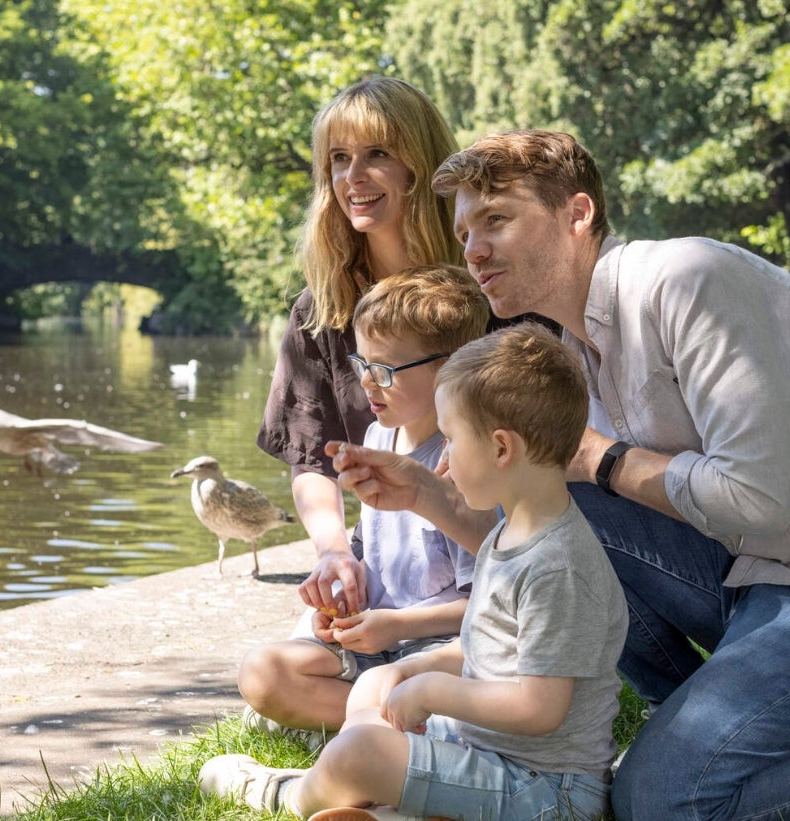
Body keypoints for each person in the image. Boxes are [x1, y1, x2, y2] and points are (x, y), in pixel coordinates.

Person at [330, 130, 790, 821]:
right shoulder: (571, 349)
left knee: (659, 801)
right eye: (465, 230)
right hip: (756, 591)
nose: (472, 250)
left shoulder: (688, 279)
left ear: (578, 214)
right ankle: (690, 719)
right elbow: (534, 548)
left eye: (496, 220)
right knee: (566, 508)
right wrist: (424, 494)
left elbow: (759, 498)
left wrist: (600, 456)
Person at [200, 325, 628, 821]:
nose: (441, 456)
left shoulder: (558, 566)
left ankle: (289, 794)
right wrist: (404, 672)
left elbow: (539, 707)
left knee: (360, 756)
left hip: (546, 790)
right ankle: (381, 801)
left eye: (451, 438)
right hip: (490, 752)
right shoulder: (512, 533)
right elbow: (496, 650)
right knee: (375, 687)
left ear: (501, 449)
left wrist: (430, 690)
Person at [238, 265, 487, 741]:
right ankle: (390, 728)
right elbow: (384, 558)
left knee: (393, 690)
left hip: (444, 654)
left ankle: (375, 728)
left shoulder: (464, 465)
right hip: (380, 644)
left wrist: (393, 628)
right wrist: (345, 605)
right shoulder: (379, 435)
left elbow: (488, 605)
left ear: (451, 367)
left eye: (386, 370)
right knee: (261, 672)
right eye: (362, 364)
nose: (368, 383)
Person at [256, 76, 464, 621]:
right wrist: (335, 553)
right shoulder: (318, 310)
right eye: (339, 158)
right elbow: (311, 456)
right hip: (389, 550)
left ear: (420, 165)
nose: (354, 176)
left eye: (377, 154)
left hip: (491, 546)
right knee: (276, 675)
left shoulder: (486, 286)